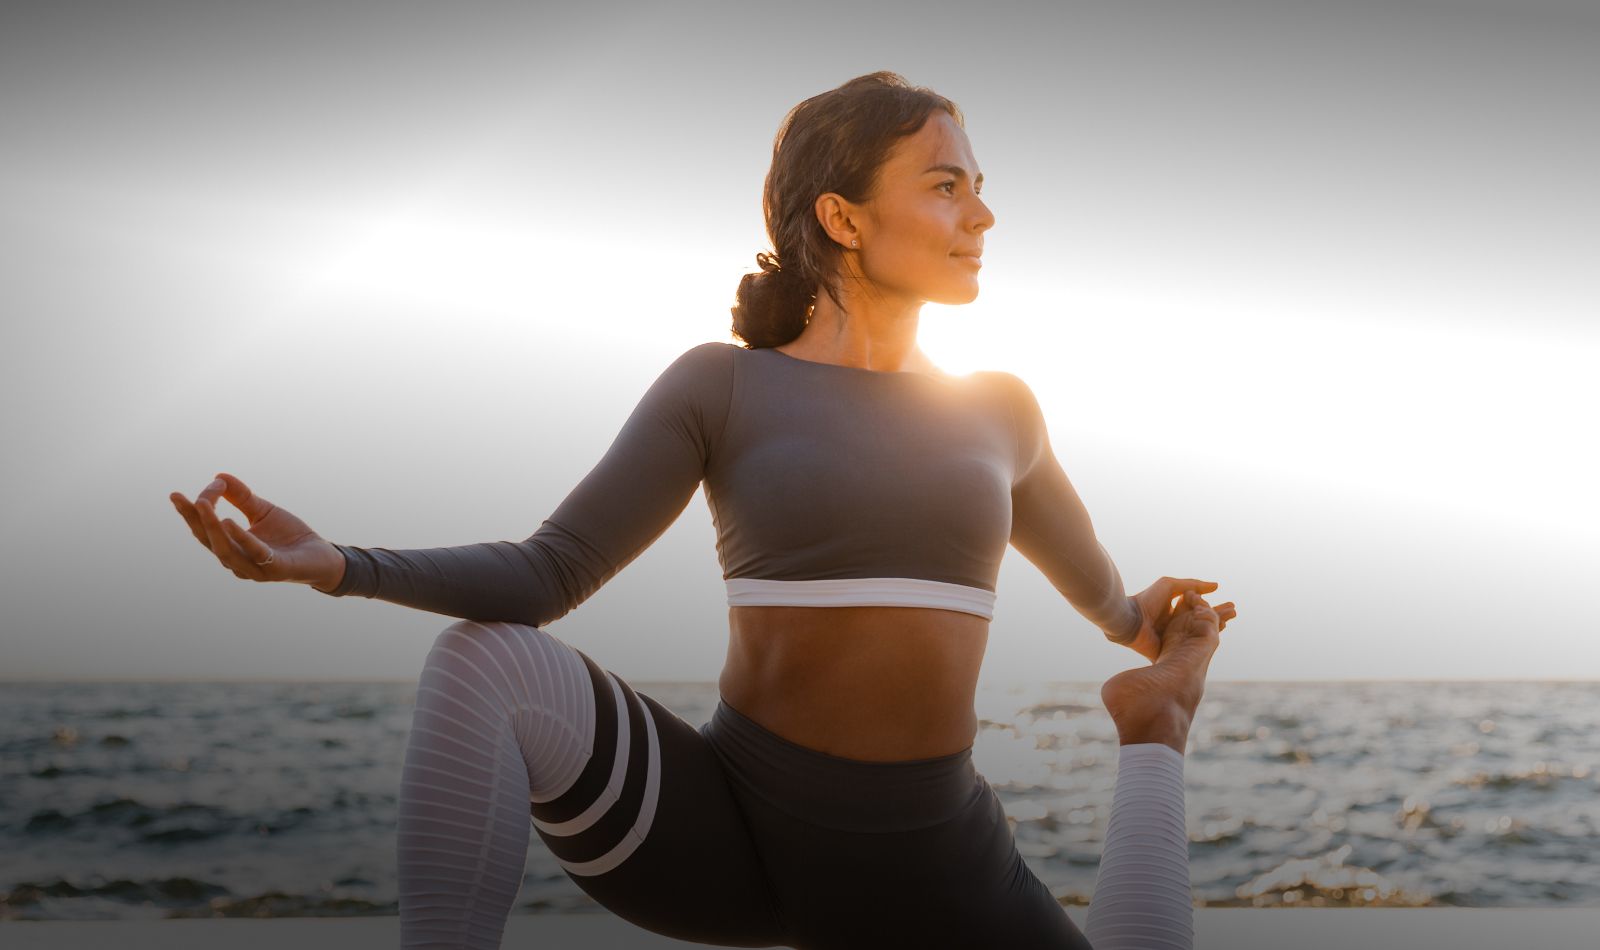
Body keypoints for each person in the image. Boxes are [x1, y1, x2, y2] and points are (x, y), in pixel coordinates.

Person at [171, 71, 1237, 950]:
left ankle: (1156, 726)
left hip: (933, 853)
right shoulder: (720, 386)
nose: (983, 213)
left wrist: (1147, 627)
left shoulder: (1001, 411)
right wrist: (335, 562)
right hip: (729, 826)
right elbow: (549, 572)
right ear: (843, 216)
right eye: (947, 185)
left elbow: (1100, 590)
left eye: (979, 186)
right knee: (482, 657)